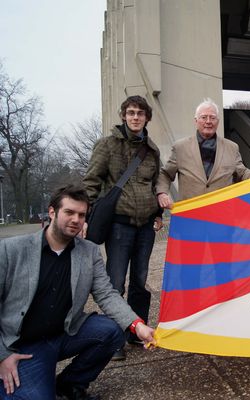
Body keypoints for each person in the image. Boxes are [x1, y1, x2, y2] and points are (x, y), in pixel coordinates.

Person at [0, 184, 156, 400]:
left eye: (81, 215)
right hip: (25, 345)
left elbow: (106, 294)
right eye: (69, 212)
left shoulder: (89, 252)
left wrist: (136, 325)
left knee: (111, 331)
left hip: (65, 332)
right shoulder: (11, 250)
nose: (76, 219)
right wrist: (3, 355)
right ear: (52, 212)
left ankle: (69, 384)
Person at [83, 95, 162, 361]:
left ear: (147, 117)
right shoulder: (107, 146)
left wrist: (158, 212)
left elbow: (155, 185)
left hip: (145, 226)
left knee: (140, 281)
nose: (135, 117)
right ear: (123, 116)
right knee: (115, 282)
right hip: (119, 224)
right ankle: (114, 337)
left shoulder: (151, 150)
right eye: (131, 113)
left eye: (140, 113)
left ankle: (135, 332)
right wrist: (85, 217)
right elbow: (91, 182)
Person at [156, 98, 250, 209]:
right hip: (190, 214)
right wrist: (162, 193)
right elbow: (165, 174)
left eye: (212, 117)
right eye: (204, 117)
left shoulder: (232, 147)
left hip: (222, 215)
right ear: (196, 120)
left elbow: (242, 172)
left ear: (218, 121)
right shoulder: (180, 147)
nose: (208, 121)